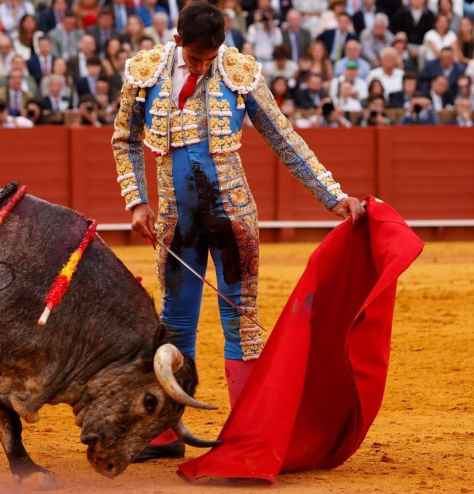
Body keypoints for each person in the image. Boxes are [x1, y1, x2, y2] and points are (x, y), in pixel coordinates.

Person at [112, 1, 363, 461]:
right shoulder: (145, 71)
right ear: (176, 42)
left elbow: (284, 137)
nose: (203, 68)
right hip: (175, 221)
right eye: (194, 60)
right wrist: (136, 199)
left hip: (232, 218)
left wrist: (332, 194)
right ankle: (166, 433)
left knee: (240, 323)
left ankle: (249, 434)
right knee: (176, 321)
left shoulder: (238, 71)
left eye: (210, 59)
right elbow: (124, 138)